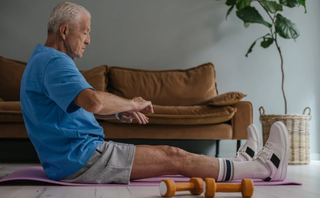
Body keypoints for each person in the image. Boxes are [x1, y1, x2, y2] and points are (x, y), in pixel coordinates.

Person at [20, 2, 290, 184]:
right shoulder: (54, 62)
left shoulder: (42, 60)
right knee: (173, 155)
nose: (89, 40)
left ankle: (239, 162)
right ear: (65, 31)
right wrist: (130, 103)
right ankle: (265, 169)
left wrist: (118, 111)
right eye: (85, 32)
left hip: (72, 158)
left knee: (173, 155)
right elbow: (92, 101)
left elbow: (73, 111)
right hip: (82, 159)